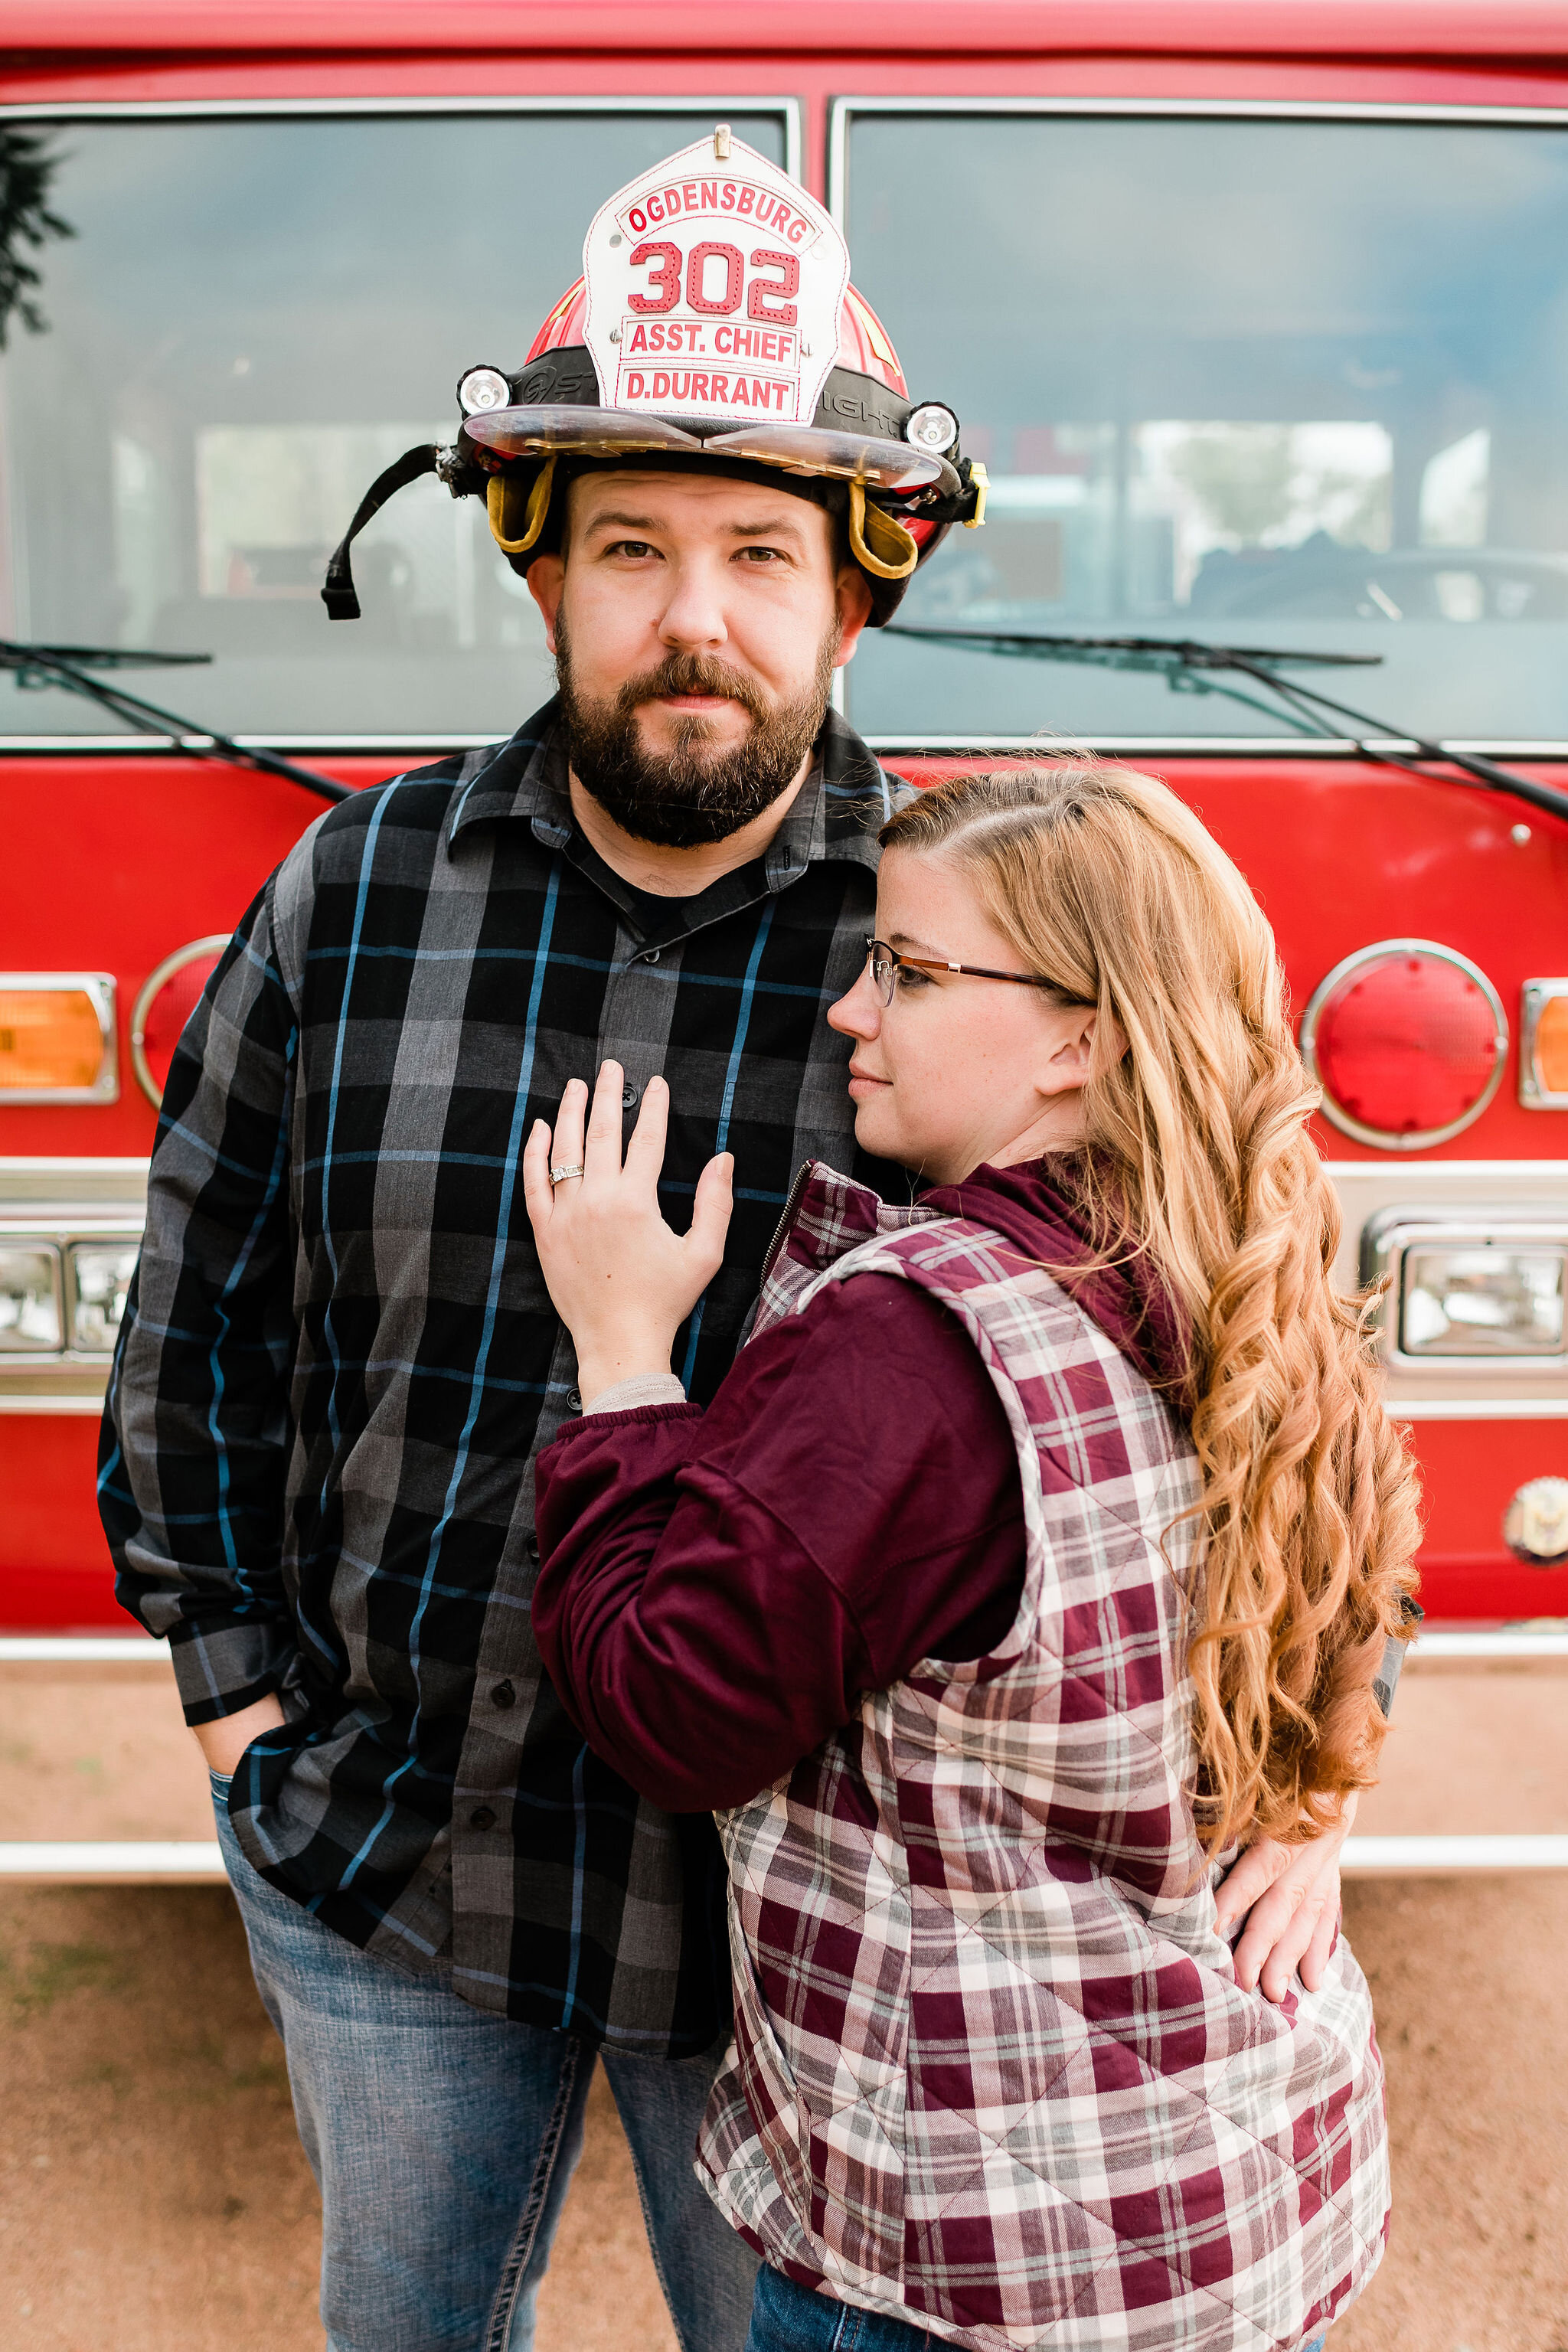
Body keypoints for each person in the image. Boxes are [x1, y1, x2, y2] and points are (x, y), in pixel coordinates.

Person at [100, 127, 1369, 2352]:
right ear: (541, 570)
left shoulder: (995, 955)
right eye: (633, 549)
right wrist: (245, 1713)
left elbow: (1261, 1351)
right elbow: (190, 1330)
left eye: (761, 556)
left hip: (801, 1955)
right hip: (387, 1871)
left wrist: (1314, 1760)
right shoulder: (358, 892)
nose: (698, 617)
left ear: (854, 590)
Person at [526, 763, 1421, 2352]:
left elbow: (676, 1710)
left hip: (975, 2273)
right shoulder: (1248, 1256)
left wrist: (620, 1359)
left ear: (1081, 1039)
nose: (852, 1015)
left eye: (912, 974)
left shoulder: (910, 1344)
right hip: (1245, 2196)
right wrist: (1321, 1799)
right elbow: (1359, 1590)